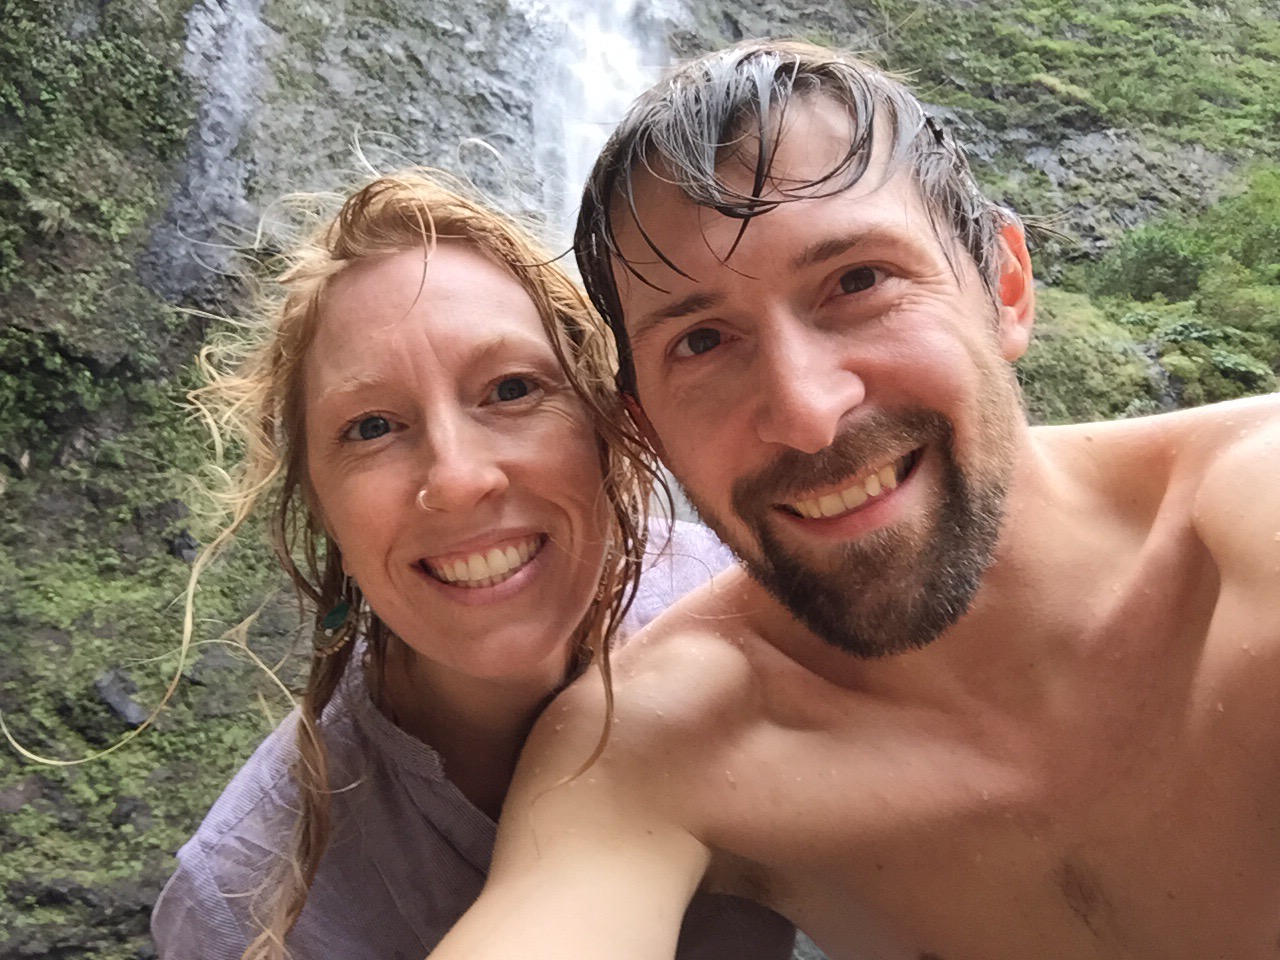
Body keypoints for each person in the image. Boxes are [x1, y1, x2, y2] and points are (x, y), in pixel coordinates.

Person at [427, 40, 1280, 960]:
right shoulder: (656, 744)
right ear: (645, 429)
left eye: (858, 282)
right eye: (703, 342)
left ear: (1005, 283)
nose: (805, 412)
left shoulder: (1251, 520)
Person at [148, 171, 795, 960]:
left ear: (610, 426)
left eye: (513, 389)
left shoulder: (772, 623)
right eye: (372, 426)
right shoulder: (242, 900)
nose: (457, 480)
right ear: (319, 506)